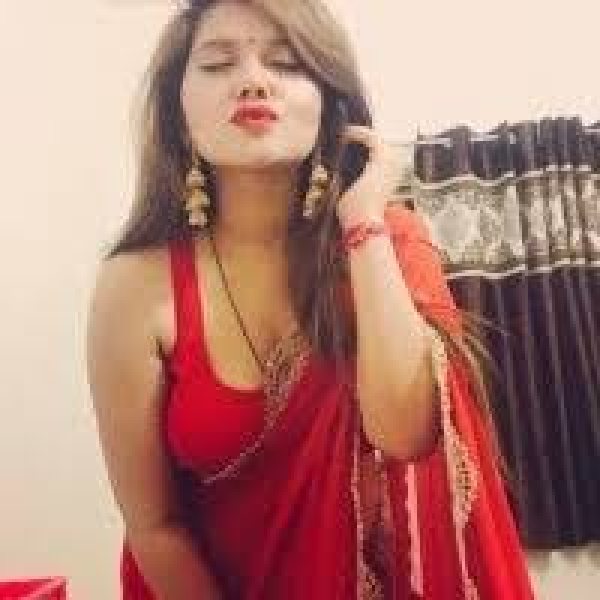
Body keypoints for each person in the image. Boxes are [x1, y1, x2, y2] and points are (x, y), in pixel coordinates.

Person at [85, 0, 537, 598]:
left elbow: (405, 434)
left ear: (330, 105)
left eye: (287, 63)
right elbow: (153, 526)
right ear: (178, 111)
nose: (253, 80)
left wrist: (364, 222)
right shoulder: (136, 284)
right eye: (218, 64)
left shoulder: (387, 240)